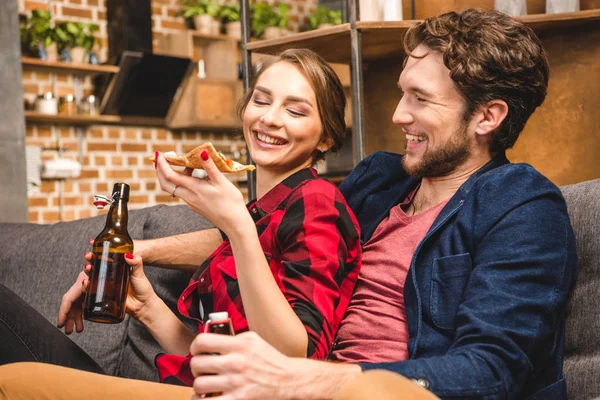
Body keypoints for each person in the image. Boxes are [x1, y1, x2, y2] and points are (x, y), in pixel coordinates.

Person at [0, 8, 578, 400]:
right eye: (402, 93)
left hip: (347, 392)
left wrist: (302, 379)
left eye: (420, 100)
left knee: (20, 383)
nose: (398, 115)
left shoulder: (523, 207)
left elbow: (491, 370)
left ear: (488, 116)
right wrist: (139, 251)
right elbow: (276, 228)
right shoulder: (382, 179)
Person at [0, 49, 362, 387]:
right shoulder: (263, 213)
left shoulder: (318, 202)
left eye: (295, 111)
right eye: (261, 100)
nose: (269, 118)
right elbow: (208, 363)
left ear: (326, 139)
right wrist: (148, 308)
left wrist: (237, 227)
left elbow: (295, 359)